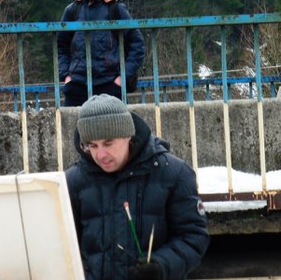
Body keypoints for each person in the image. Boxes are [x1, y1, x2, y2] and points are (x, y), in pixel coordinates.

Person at [66, 94, 210, 280]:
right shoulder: (73, 181)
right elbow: (62, 247)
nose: (101, 154)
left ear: (128, 135)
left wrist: (161, 266)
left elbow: (193, 238)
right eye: (92, 146)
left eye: (108, 143)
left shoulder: (173, 173)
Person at [58, 0, 145, 107]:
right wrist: (66, 76)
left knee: (114, 129)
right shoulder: (72, 11)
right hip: (77, 85)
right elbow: (61, 46)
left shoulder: (116, 8)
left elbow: (137, 44)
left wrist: (122, 78)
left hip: (110, 84)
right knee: (74, 129)